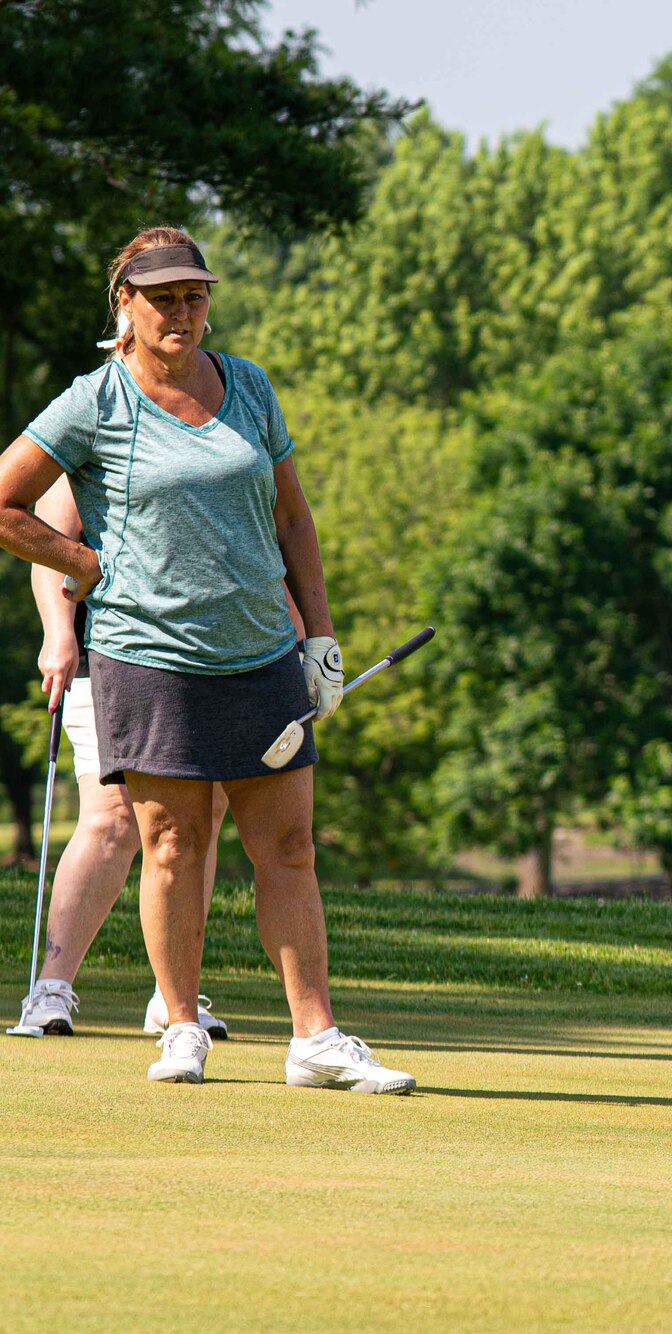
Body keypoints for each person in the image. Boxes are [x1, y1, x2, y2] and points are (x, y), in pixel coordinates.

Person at [0, 226, 413, 1093]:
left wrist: (321, 637)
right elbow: (6, 502)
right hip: (149, 655)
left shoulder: (250, 386)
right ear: (126, 303)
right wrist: (85, 567)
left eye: (194, 295)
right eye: (162, 298)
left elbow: (293, 520)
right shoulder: (96, 400)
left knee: (288, 843)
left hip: (261, 650)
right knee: (173, 841)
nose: (181, 312)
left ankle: (316, 1039)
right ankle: (181, 1025)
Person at [15, 478, 311, 1040]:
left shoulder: (233, 428)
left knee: (199, 820)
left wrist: (299, 639)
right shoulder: (104, 413)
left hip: (219, 661)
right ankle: (50, 988)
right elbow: (46, 542)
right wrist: (58, 634)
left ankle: (171, 998)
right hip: (112, 659)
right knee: (113, 819)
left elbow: (266, 545)